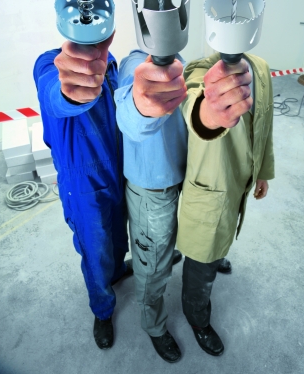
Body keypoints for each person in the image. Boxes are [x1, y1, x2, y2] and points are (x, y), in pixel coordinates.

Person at [114, 49, 233, 363]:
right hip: (153, 184)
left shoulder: (182, 59)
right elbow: (130, 118)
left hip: (189, 174)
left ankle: (192, 258)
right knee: (153, 264)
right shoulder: (136, 66)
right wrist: (141, 107)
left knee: (196, 236)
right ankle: (154, 326)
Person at [33, 31, 131, 350]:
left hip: (116, 169)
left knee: (117, 236)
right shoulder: (49, 64)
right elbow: (55, 96)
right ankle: (102, 310)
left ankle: (118, 271)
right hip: (83, 181)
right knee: (95, 248)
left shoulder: (112, 64)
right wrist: (72, 92)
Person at [176, 52, 275, 357]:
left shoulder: (260, 68)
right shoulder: (202, 69)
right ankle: (197, 319)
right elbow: (194, 106)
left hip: (238, 181)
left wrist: (263, 171)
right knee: (201, 262)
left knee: (223, 235)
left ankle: (217, 257)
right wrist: (209, 114)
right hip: (211, 186)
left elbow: (266, 124)